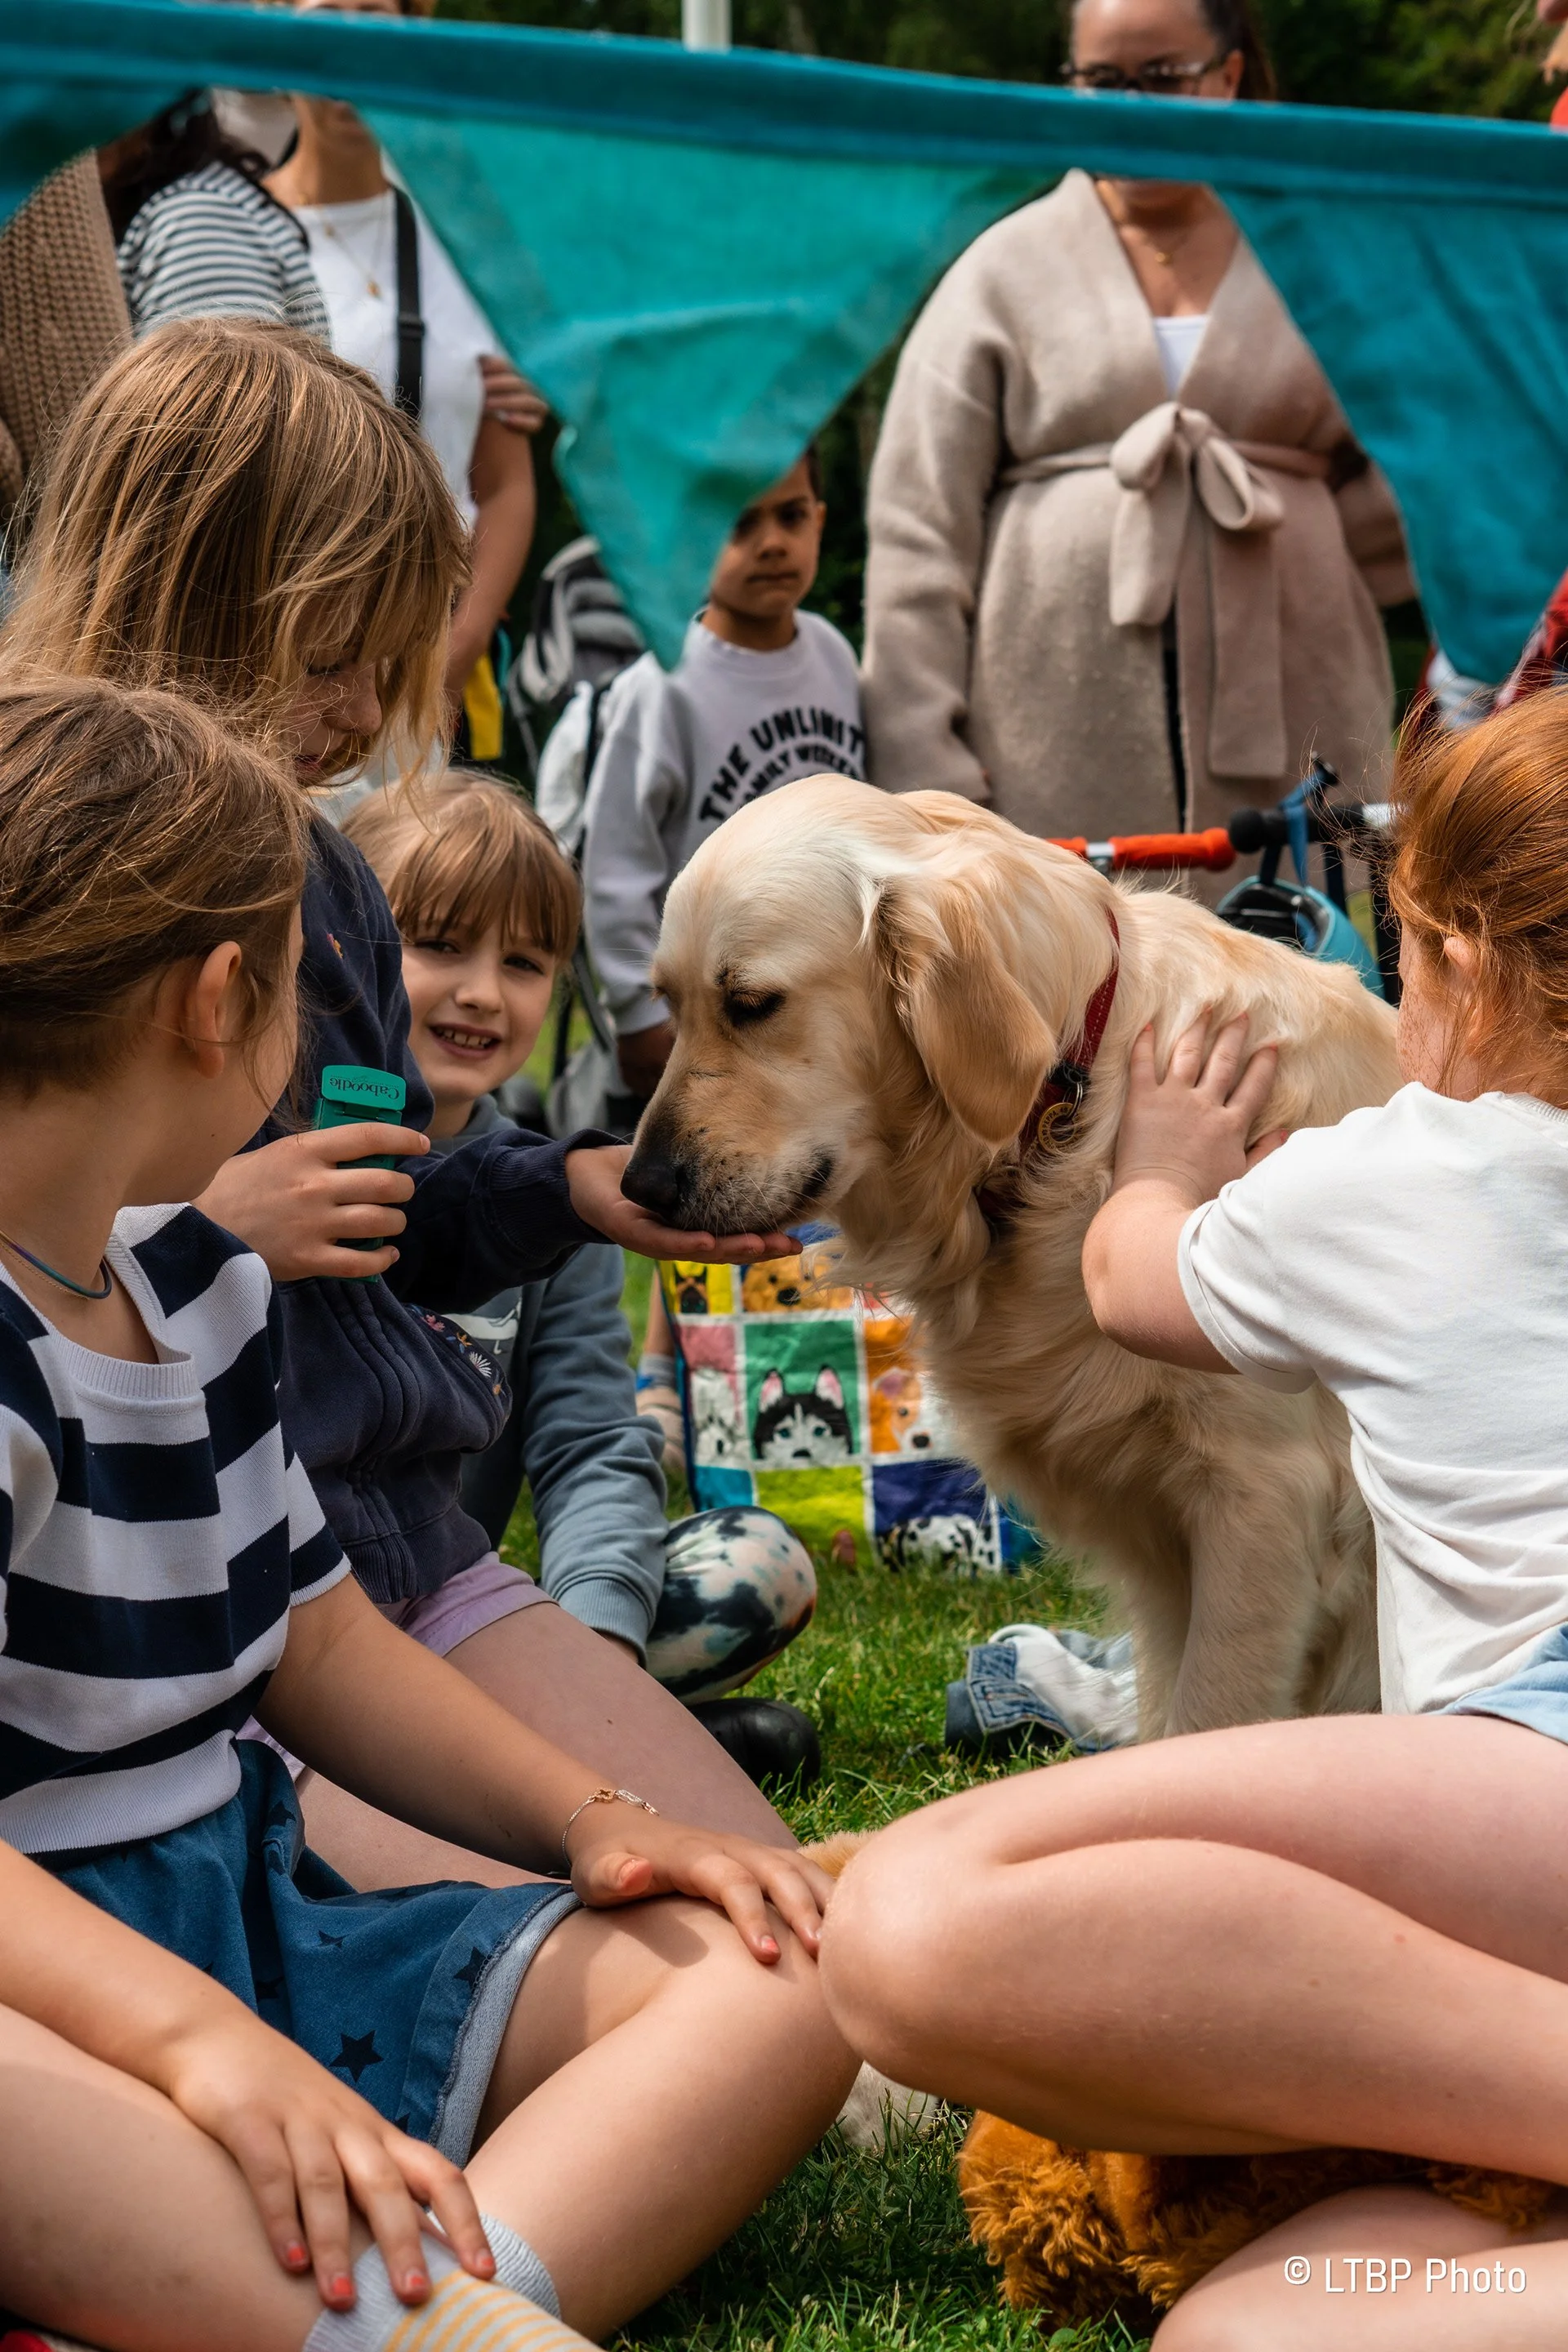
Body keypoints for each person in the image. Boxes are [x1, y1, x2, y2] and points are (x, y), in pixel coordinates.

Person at [0, 675, 855, 2352]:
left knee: (789, 1976)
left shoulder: (197, 1289)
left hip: (254, 1916)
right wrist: (191, 2044)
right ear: (222, 1003)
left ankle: (446, 2303)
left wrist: (591, 1817)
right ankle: (372, 2303)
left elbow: (316, 1640)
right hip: (48, 1991)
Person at [0, 317, 802, 1891]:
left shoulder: (337, 889)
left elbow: (379, 1205)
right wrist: (203, 1237)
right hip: (169, 1600)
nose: (367, 715)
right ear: (186, 596)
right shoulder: (40, 876)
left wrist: (563, 1191)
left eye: (393, 656)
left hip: (391, 1553)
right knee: (591, 1943)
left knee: (747, 1890)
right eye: (332, 656)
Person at [820, 689, 1568, 2346]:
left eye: (1410, 956)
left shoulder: (1407, 1169)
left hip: (1541, 1768)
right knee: (1256, 2323)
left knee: (913, 1911)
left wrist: (1158, 1164)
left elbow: (1125, 1284)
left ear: (1470, 966)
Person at [340, 771, 822, 1784]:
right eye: (439, 946)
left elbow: (593, 1446)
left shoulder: (562, 1195)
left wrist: (598, 1650)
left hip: (461, 1612)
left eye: (523, 962)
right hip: (300, 1631)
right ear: (344, 950)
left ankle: (569, 1740)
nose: (481, 991)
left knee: (755, 1566)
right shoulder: (294, 1158)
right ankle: (579, 1758)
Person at [860, 0, 1411, 864]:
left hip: (1307, 727)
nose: (1132, 106)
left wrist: (1323, 550)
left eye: (1163, 78)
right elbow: (916, 531)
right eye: (1103, 82)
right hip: (1043, 761)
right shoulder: (1001, 269)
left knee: (1311, 978)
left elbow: (1427, 463)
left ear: (1228, 77)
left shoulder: (1323, 263)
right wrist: (929, 771)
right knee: (1077, 983)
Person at [265, 0, 541, 728]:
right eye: (330, 12)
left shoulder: (466, 245)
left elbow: (506, 482)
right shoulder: (235, 235)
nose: (355, 37)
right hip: (288, 673)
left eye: (376, 13)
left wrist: (458, 646)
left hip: (430, 668)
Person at [581, 448, 865, 1107]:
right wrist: (639, 1014)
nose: (771, 543)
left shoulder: (834, 656)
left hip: (804, 1007)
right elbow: (616, 872)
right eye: (739, 524)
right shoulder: (661, 689)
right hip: (697, 1017)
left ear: (820, 522)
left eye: (791, 517)